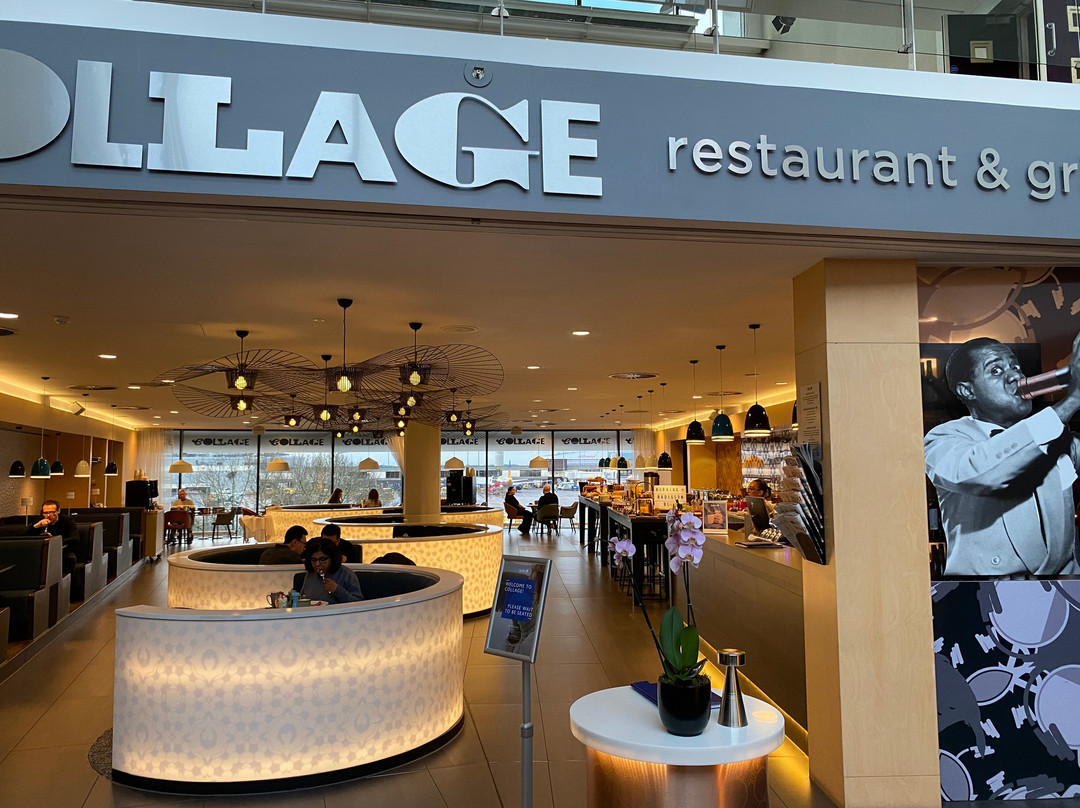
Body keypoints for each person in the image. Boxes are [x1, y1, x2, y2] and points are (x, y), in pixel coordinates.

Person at [924, 333, 1080, 577]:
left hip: (1063, 591)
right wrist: (1073, 400)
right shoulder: (943, 439)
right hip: (983, 595)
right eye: (996, 370)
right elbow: (981, 472)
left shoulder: (1058, 438)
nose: (1016, 376)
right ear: (967, 391)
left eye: (1015, 367)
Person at [293, 537, 363, 603]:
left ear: (332, 558)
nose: (317, 564)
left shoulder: (346, 574)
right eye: (314, 560)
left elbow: (358, 603)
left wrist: (337, 590)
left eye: (322, 559)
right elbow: (302, 598)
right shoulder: (311, 574)